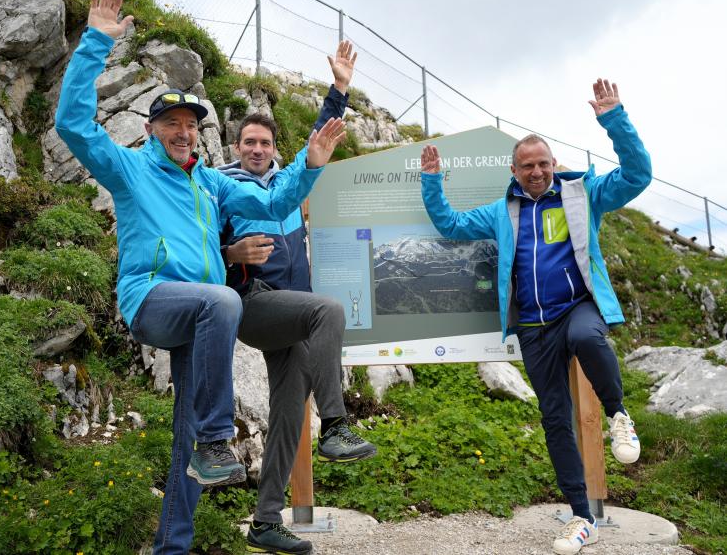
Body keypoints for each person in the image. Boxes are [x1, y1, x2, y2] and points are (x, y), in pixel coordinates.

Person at [54, 0, 347, 553]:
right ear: (151, 130)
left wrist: (310, 165)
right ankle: (219, 437)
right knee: (223, 300)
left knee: (188, 433)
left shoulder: (209, 182)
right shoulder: (130, 169)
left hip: (201, 316)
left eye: (190, 123)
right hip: (153, 300)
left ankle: (175, 542)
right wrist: (96, 41)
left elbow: (270, 199)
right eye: (171, 122)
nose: (183, 131)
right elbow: (73, 124)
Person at [420, 79, 648, 555]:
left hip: (577, 308)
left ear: (553, 164)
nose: (538, 172)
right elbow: (451, 226)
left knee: (590, 339)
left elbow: (637, 175)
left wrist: (614, 119)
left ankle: (618, 414)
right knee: (554, 419)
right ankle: (581, 518)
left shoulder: (583, 193)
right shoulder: (503, 211)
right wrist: (431, 182)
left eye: (544, 164)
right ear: (515, 170)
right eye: (528, 167)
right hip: (533, 327)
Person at [217, 41, 377, 555]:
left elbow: (318, 140)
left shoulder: (289, 182)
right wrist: (230, 251)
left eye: (264, 141)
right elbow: (201, 247)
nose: (257, 149)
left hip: (291, 314)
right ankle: (336, 425)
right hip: (256, 302)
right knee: (328, 308)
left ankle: (265, 522)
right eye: (248, 142)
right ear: (237, 146)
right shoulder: (222, 187)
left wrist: (340, 89)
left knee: (288, 416)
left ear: (274, 147)